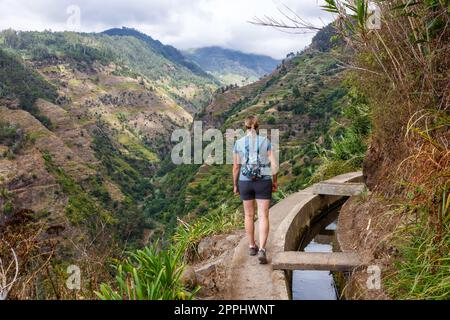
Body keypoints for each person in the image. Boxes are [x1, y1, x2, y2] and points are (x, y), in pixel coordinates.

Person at [232, 116, 278, 264]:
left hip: (245, 182)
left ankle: (252, 246)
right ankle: (262, 250)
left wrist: (235, 185)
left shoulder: (238, 144)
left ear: (245, 126)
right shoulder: (265, 142)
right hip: (263, 181)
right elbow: (274, 165)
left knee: (248, 215)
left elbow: (236, 167)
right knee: (263, 215)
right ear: (258, 127)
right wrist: (275, 181)